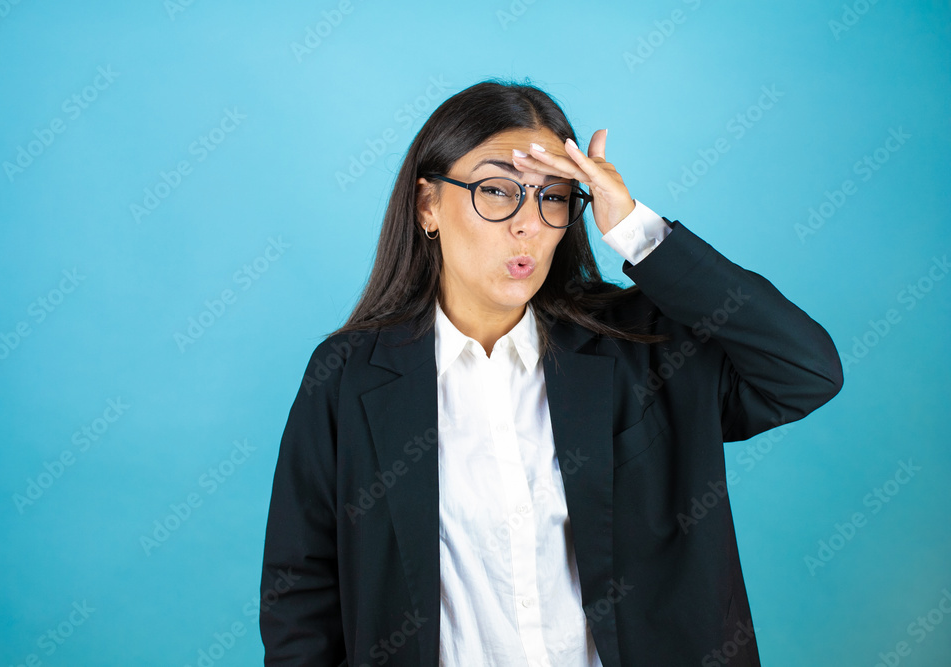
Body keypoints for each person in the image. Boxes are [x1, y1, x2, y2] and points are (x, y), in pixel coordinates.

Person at [259, 80, 843, 666]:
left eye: (554, 197)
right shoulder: (349, 377)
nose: (528, 225)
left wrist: (635, 229)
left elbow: (805, 371)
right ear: (427, 205)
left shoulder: (639, 345)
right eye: (496, 191)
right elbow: (300, 592)